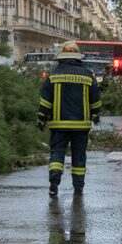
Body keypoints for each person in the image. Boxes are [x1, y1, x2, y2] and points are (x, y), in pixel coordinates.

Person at [38, 41, 102, 198]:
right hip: (81, 125)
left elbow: (45, 101)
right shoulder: (88, 75)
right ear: (78, 57)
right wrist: (95, 114)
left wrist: (41, 118)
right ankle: (78, 188)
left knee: (57, 152)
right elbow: (96, 98)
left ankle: (54, 180)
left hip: (59, 125)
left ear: (61, 57)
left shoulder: (53, 76)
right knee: (79, 155)